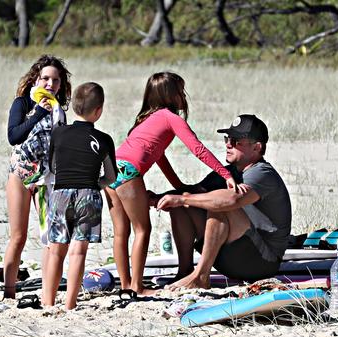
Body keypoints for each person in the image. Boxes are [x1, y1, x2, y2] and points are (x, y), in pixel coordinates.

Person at [104, 71, 243, 296]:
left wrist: (179, 186)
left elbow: (159, 157)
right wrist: (226, 174)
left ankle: (126, 284)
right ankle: (137, 287)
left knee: (121, 232)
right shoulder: (171, 118)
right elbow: (197, 148)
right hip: (129, 173)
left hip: (110, 169)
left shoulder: (146, 119)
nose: (183, 95)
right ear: (171, 94)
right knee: (142, 230)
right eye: (181, 90)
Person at [155, 115, 291, 289]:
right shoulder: (230, 172)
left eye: (236, 141)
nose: (228, 144)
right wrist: (154, 198)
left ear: (257, 147)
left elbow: (231, 200)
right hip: (232, 256)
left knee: (220, 204)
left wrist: (181, 199)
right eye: (228, 139)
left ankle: (200, 276)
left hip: (261, 263)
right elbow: (192, 192)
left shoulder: (263, 173)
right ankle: (186, 272)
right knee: (184, 205)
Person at [42, 82, 116, 309]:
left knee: (56, 250)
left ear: (73, 107)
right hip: (89, 194)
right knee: (78, 251)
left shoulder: (59, 133)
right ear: (99, 110)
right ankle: (70, 303)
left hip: (61, 193)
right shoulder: (104, 139)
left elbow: (53, 167)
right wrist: (97, 183)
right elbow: (111, 176)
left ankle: (48, 301)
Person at [3, 55, 72, 299]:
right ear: (36, 79)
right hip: (21, 176)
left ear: (61, 84)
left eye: (55, 80)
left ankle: (47, 292)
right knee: (18, 236)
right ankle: (9, 292)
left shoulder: (59, 112)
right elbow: (14, 136)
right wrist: (37, 114)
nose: (50, 84)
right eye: (45, 78)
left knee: (50, 237)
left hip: (47, 179)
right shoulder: (22, 104)